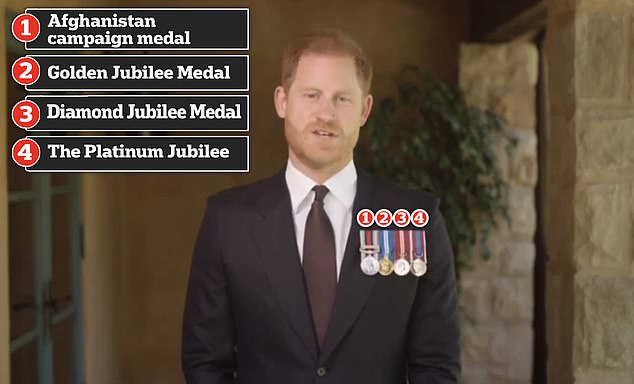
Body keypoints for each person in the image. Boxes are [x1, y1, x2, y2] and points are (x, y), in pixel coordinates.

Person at [181, 30, 460, 384]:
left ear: (364, 109)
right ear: (282, 101)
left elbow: (437, 365)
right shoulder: (228, 222)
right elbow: (205, 363)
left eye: (342, 99)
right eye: (311, 95)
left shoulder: (416, 221)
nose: (325, 113)